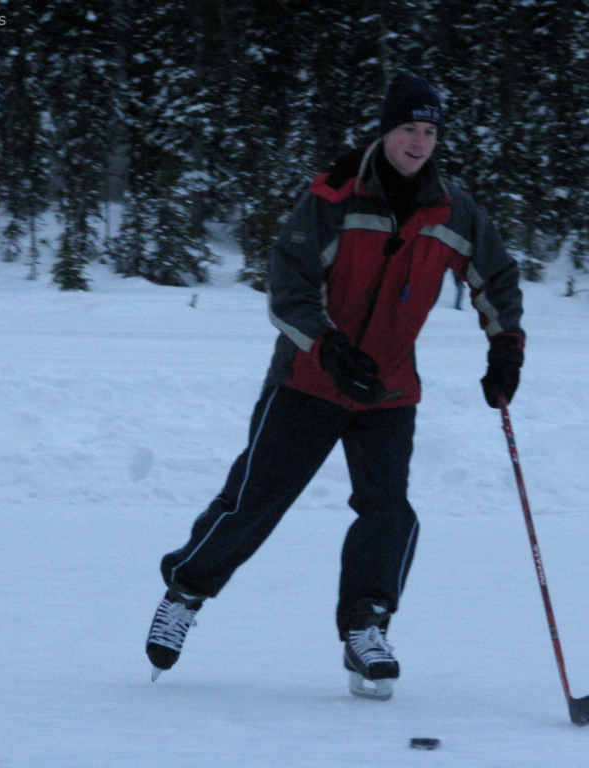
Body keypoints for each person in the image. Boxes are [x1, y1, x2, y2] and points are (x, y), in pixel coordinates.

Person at [145, 73, 525, 699]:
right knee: (255, 501)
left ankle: (366, 629)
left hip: (389, 389)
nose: (418, 142)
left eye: (429, 132)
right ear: (386, 130)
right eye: (408, 128)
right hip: (309, 379)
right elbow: (289, 285)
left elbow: (497, 276)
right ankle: (185, 592)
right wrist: (328, 347)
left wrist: (506, 348)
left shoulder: (452, 209)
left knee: (388, 509)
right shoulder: (333, 197)